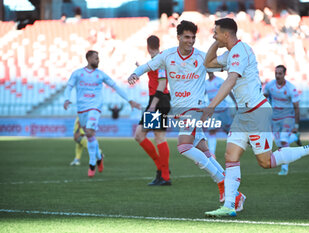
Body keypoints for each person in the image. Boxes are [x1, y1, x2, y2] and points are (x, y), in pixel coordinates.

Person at [201, 18, 309, 217]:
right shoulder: (230, 54)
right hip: (243, 114)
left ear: (227, 34)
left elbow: (230, 80)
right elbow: (208, 63)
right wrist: (216, 42)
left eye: (216, 32)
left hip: (256, 111)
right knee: (230, 156)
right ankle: (229, 205)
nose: (213, 35)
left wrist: (212, 106)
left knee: (265, 161)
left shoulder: (241, 51)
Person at [128, 20, 246, 209]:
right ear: (179, 37)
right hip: (175, 110)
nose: (191, 41)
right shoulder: (166, 56)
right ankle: (234, 193)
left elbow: (224, 64)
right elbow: (147, 66)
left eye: (193, 37)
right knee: (204, 152)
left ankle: (220, 183)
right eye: (187, 37)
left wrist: (238, 58)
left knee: (181, 146)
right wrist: (135, 73)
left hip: (183, 107)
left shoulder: (202, 57)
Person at [64, 50, 141, 177]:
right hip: (82, 109)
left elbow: (116, 87)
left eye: (98, 58)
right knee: (89, 136)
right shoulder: (78, 74)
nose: (98, 60)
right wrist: (67, 99)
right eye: (96, 58)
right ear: (88, 59)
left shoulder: (101, 75)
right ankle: (99, 157)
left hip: (95, 107)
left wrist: (130, 100)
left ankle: (92, 164)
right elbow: (69, 87)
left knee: (89, 132)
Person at [133, 35, 172, 186]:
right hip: (157, 100)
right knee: (139, 135)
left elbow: (162, 84)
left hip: (159, 100)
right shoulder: (155, 61)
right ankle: (162, 170)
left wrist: (153, 104)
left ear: (148, 47)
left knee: (159, 137)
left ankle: (165, 175)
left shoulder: (160, 61)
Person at [264, 65, 302, 176]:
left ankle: (284, 168)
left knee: (284, 140)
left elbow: (296, 107)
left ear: (284, 74)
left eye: (280, 73)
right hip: (275, 117)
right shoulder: (270, 85)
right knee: (279, 143)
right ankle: (295, 137)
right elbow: (263, 96)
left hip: (287, 117)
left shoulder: (291, 88)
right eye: (276, 73)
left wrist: (296, 125)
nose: (277, 76)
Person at [205, 72, 237, 154]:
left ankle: (235, 147)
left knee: (228, 131)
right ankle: (212, 153)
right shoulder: (205, 83)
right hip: (213, 111)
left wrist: (235, 102)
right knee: (212, 131)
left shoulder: (220, 81)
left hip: (223, 110)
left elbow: (228, 91)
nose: (209, 72)